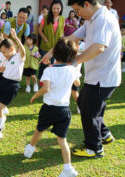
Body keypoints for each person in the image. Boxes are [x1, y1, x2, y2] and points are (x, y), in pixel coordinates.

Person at [42, 0, 121, 158]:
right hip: (96, 75)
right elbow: (72, 37)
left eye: (77, 10)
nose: (77, 14)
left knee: (88, 111)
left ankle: (94, 148)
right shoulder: (92, 20)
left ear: (86, 4)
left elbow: (99, 47)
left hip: (103, 77)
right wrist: (52, 51)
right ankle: (104, 134)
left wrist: (72, 62)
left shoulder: (103, 19)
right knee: (86, 103)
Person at [24, 38, 80, 177]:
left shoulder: (49, 71)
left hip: (49, 108)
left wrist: (34, 96)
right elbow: (77, 84)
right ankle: (68, 168)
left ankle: (30, 148)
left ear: (54, 53)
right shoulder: (71, 70)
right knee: (62, 140)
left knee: (39, 130)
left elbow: (46, 88)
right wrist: (73, 66)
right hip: (64, 110)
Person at [0, 29, 26, 141]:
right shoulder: (7, 58)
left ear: (11, 49)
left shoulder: (19, 57)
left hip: (12, 85)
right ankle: (1, 120)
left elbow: (23, 51)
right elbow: (3, 68)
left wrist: (15, 37)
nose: (3, 54)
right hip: (4, 82)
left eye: (4, 52)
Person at [38, 0, 64, 85]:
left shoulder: (63, 19)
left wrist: (62, 40)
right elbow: (40, 30)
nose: (56, 10)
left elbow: (62, 32)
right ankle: (41, 80)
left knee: (53, 64)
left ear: (61, 8)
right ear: (51, 8)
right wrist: (45, 38)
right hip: (46, 46)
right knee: (44, 64)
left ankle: (50, 81)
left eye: (58, 8)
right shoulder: (45, 18)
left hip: (56, 46)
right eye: (54, 8)